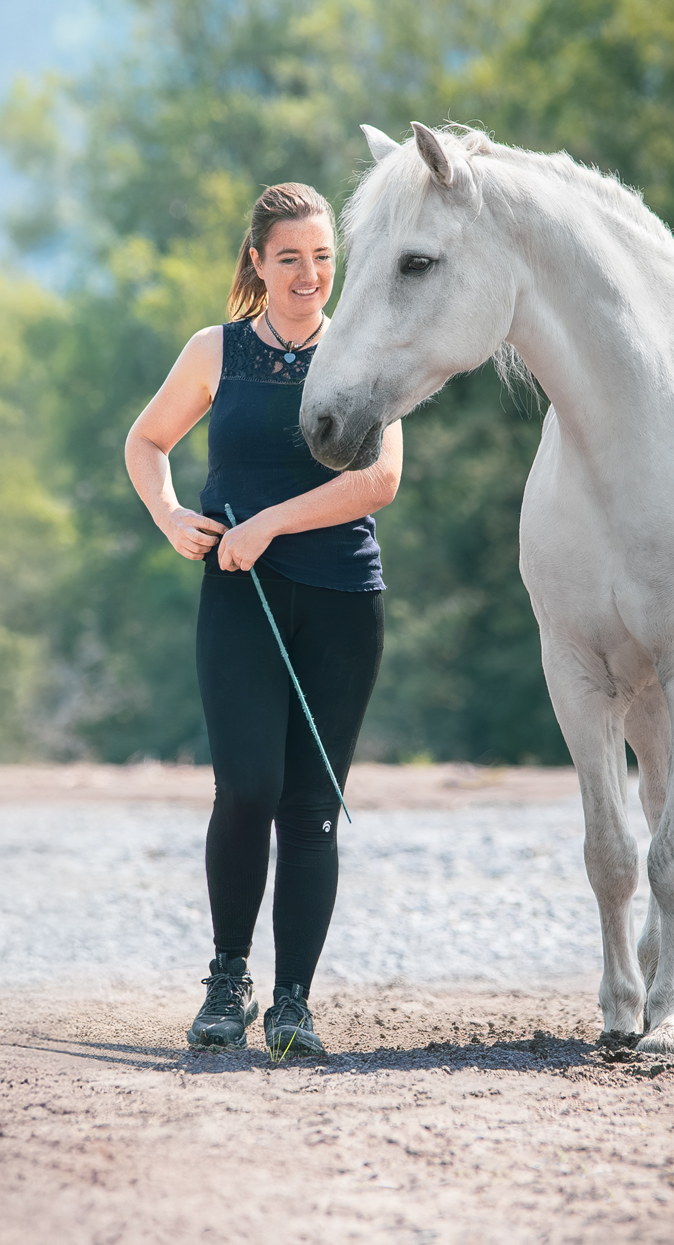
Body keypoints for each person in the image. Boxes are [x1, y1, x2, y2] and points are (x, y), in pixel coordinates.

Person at [125, 182, 402, 1057]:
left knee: (312, 807)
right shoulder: (216, 351)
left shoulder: (365, 353)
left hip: (342, 601)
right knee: (246, 789)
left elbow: (378, 482)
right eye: (290, 258)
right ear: (257, 261)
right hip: (238, 599)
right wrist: (174, 518)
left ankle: (293, 1003)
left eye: (323, 258)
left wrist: (270, 522)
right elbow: (146, 442)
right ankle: (227, 982)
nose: (310, 275)